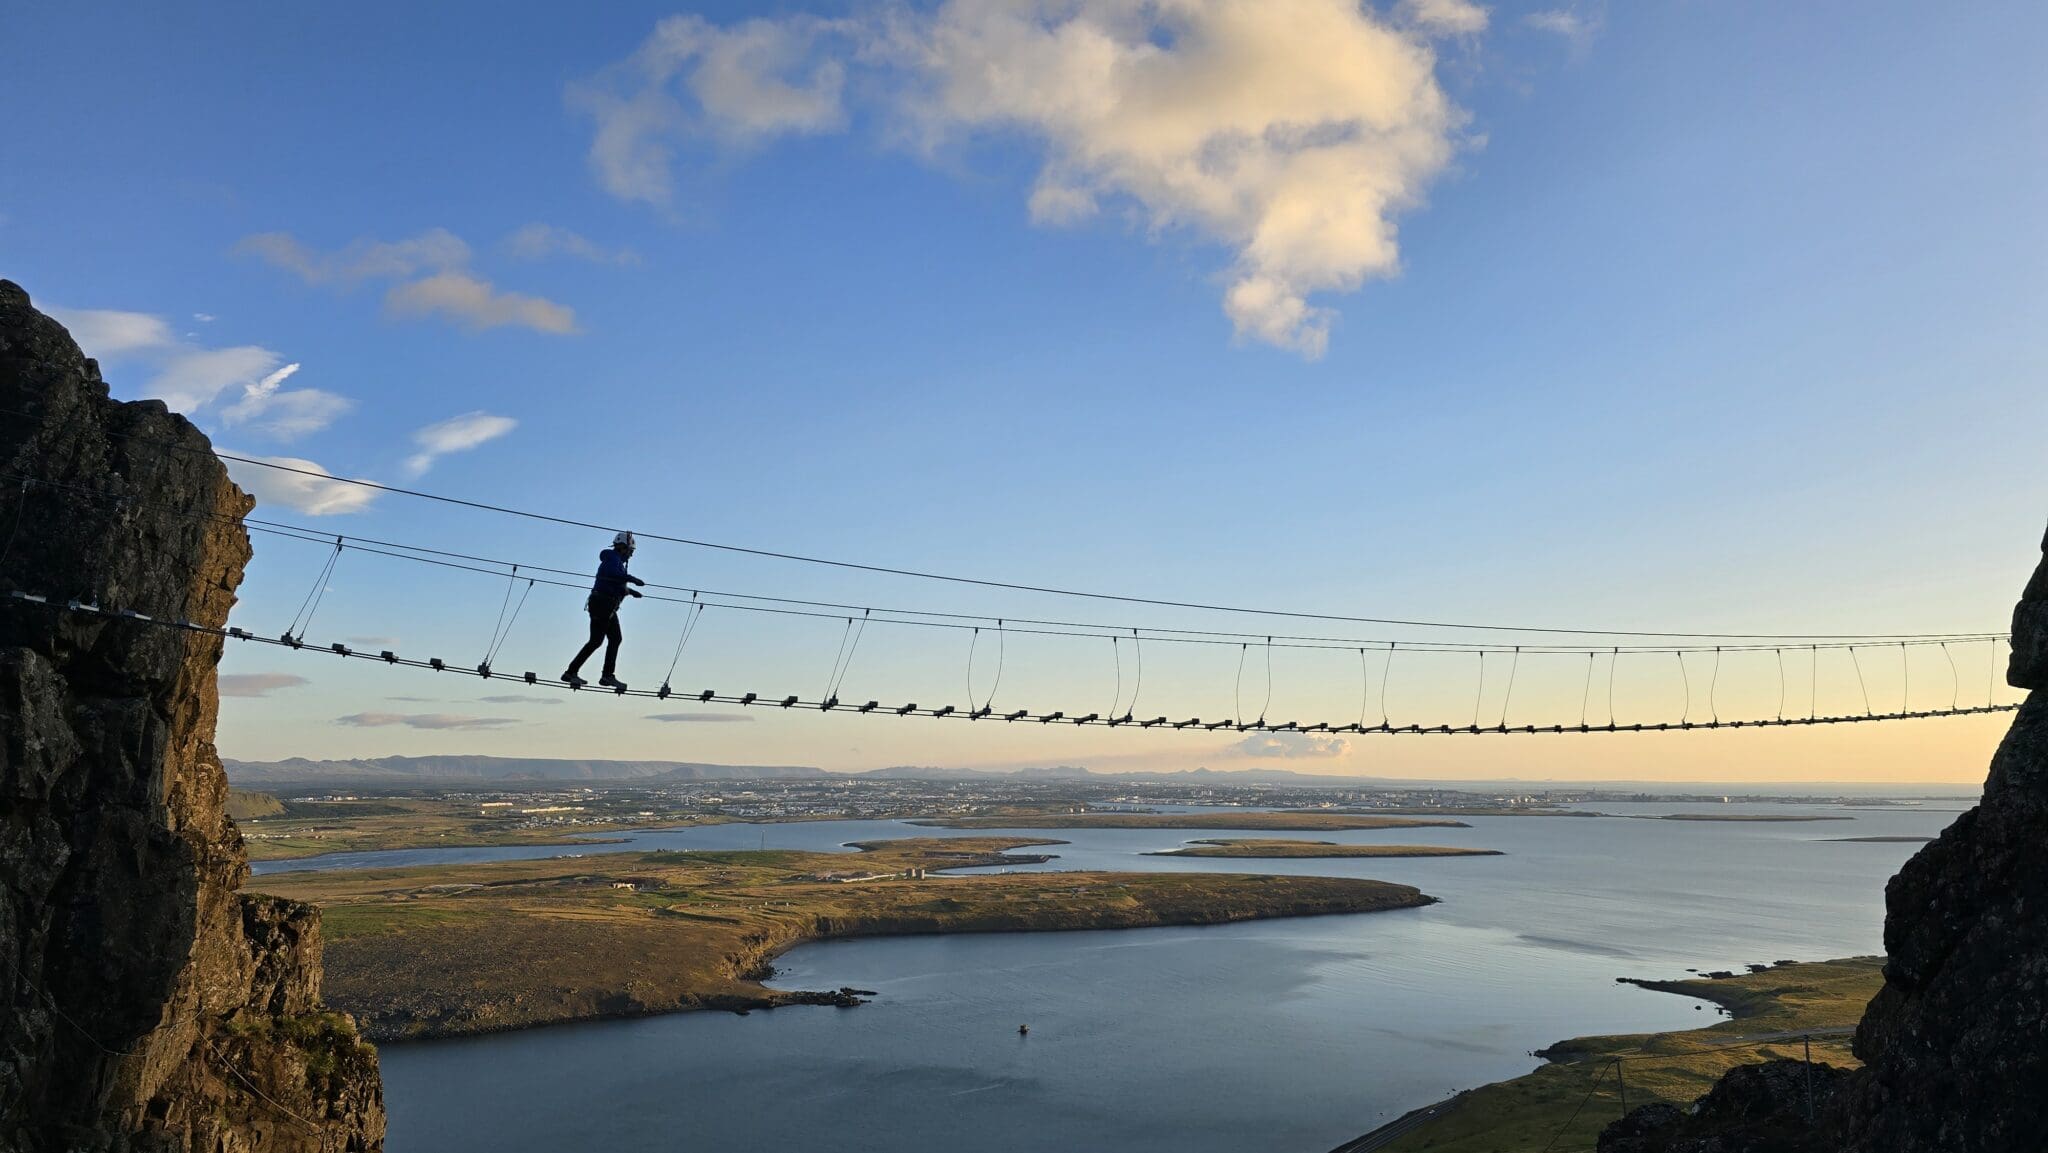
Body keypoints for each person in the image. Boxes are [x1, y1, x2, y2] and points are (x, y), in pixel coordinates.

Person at [562, 531, 645, 689]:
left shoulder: (614, 561)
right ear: (623, 548)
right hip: (604, 604)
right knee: (614, 638)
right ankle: (606, 676)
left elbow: (612, 582)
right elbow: (612, 575)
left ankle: (571, 672)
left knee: (597, 641)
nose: (631, 555)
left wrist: (631, 591)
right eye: (630, 551)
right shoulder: (612, 558)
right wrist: (632, 579)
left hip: (601, 604)